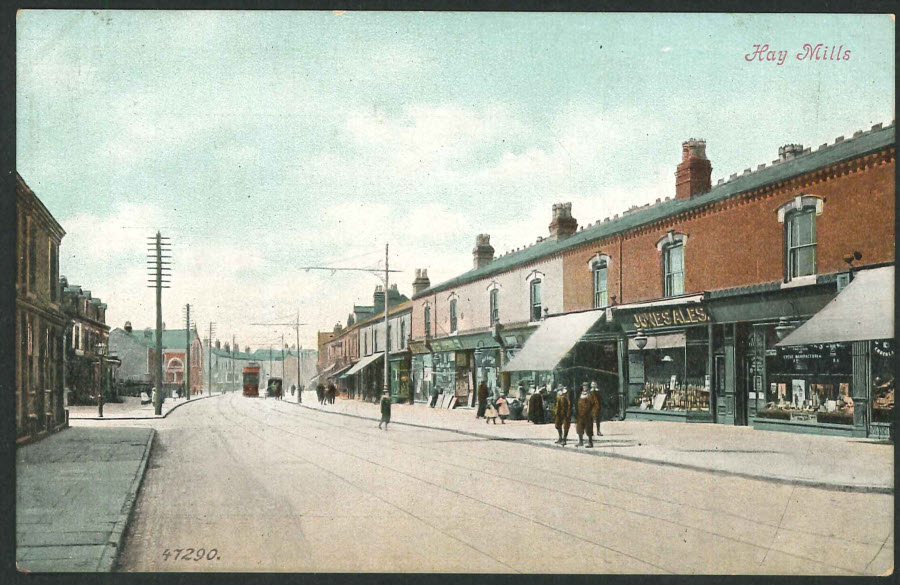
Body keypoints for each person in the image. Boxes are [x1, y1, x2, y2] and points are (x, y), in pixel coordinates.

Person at [576, 382, 600, 448]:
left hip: (588, 415)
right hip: (580, 415)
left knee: (589, 429)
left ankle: (590, 442)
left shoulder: (590, 395)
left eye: (586, 386)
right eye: (583, 386)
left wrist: (593, 413)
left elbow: (596, 404)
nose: (584, 388)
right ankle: (580, 442)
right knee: (579, 428)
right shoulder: (580, 394)